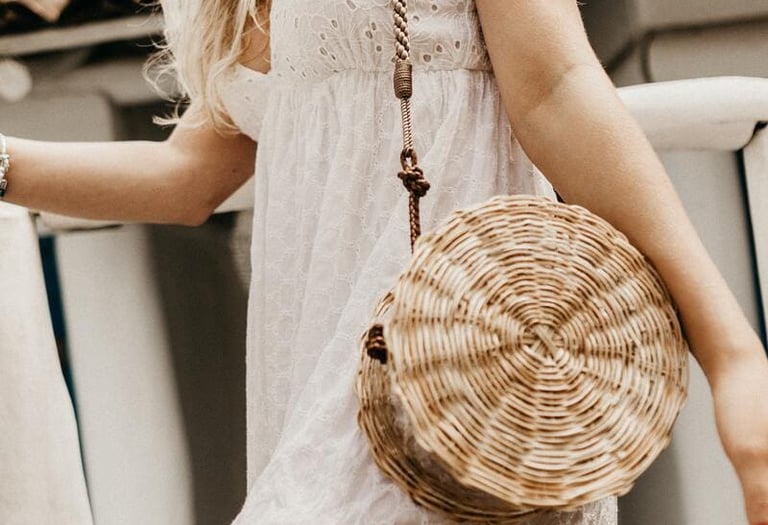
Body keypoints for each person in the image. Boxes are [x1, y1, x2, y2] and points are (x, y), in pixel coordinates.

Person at [2, 0, 768, 523]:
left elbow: (558, 91)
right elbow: (190, 178)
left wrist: (732, 358)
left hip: (458, 372)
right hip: (325, 381)